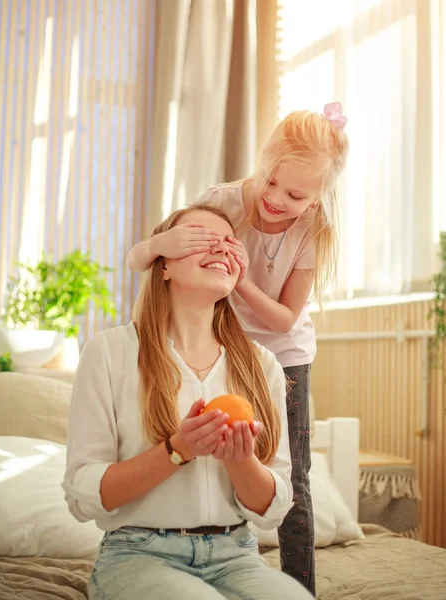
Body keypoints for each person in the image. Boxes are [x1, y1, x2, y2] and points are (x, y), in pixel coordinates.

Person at [126, 103, 350, 596]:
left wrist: (242, 282)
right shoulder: (223, 202)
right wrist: (166, 241)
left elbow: (285, 319)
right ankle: (181, 553)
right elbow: (147, 258)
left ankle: (299, 585)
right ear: (263, 162)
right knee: (197, 441)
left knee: (294, 474)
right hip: (221, 339)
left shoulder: (312, 230)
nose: (273, 198)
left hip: (283, 350)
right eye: (269, 181)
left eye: (293, 194)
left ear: (315, 200)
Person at [63, 203, 313, 600]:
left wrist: (240, 461)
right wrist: (177, 451)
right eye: (198, 238)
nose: (218, 250)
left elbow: (274, 508)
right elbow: (83, 494)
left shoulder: (262, 364)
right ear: (163, 265)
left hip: (237, 556)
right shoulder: (109, 353)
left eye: (229, 243)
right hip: (138, 556)